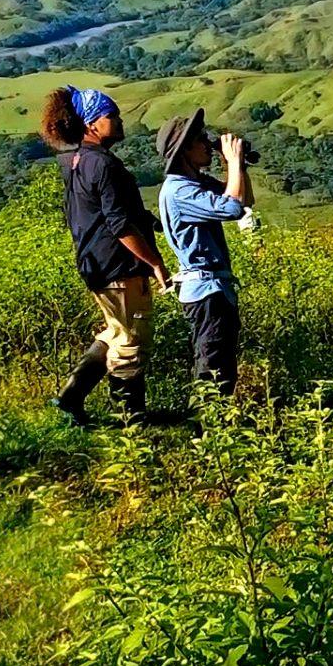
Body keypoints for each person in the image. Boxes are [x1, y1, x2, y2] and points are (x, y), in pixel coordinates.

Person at [40, 86, 168, 425]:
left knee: (114, 330)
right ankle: (131, 419)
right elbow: (119, 222)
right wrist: (154, 262)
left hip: (93, 263)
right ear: (91, 124)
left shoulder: (75, 162)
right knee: (130, 341)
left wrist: (153, 224)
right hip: (118, 265)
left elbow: (97, 213)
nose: (119, 121)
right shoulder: (104, 165)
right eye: (111, 116)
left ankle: (71, 396)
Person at [155, 109, 254, 399]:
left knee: (222, 362)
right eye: (201, 140)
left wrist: (238, 167)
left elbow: (244, 200)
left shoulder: (195, 184)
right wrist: (233, 161)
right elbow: (232, 208)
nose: (207, 144)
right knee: (212, 365)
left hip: (215, 289)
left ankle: (216, 426)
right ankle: (207, 429)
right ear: (185, 150)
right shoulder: (179, 191)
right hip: (205, 292)